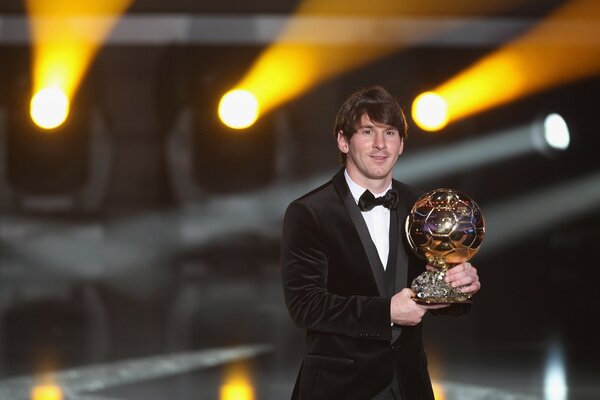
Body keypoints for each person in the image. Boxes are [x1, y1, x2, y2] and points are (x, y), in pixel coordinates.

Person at [280, 85, 481, 400]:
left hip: (408, 385)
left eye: (389, 133)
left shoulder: (422, 207)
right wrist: (386, 311)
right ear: (343, 141)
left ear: (401, 145)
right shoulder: (309, 212)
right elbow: (305, 306)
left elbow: (429, 289)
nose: (379, 144)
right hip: (338, 388)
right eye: (367, 131)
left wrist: (459, 287)